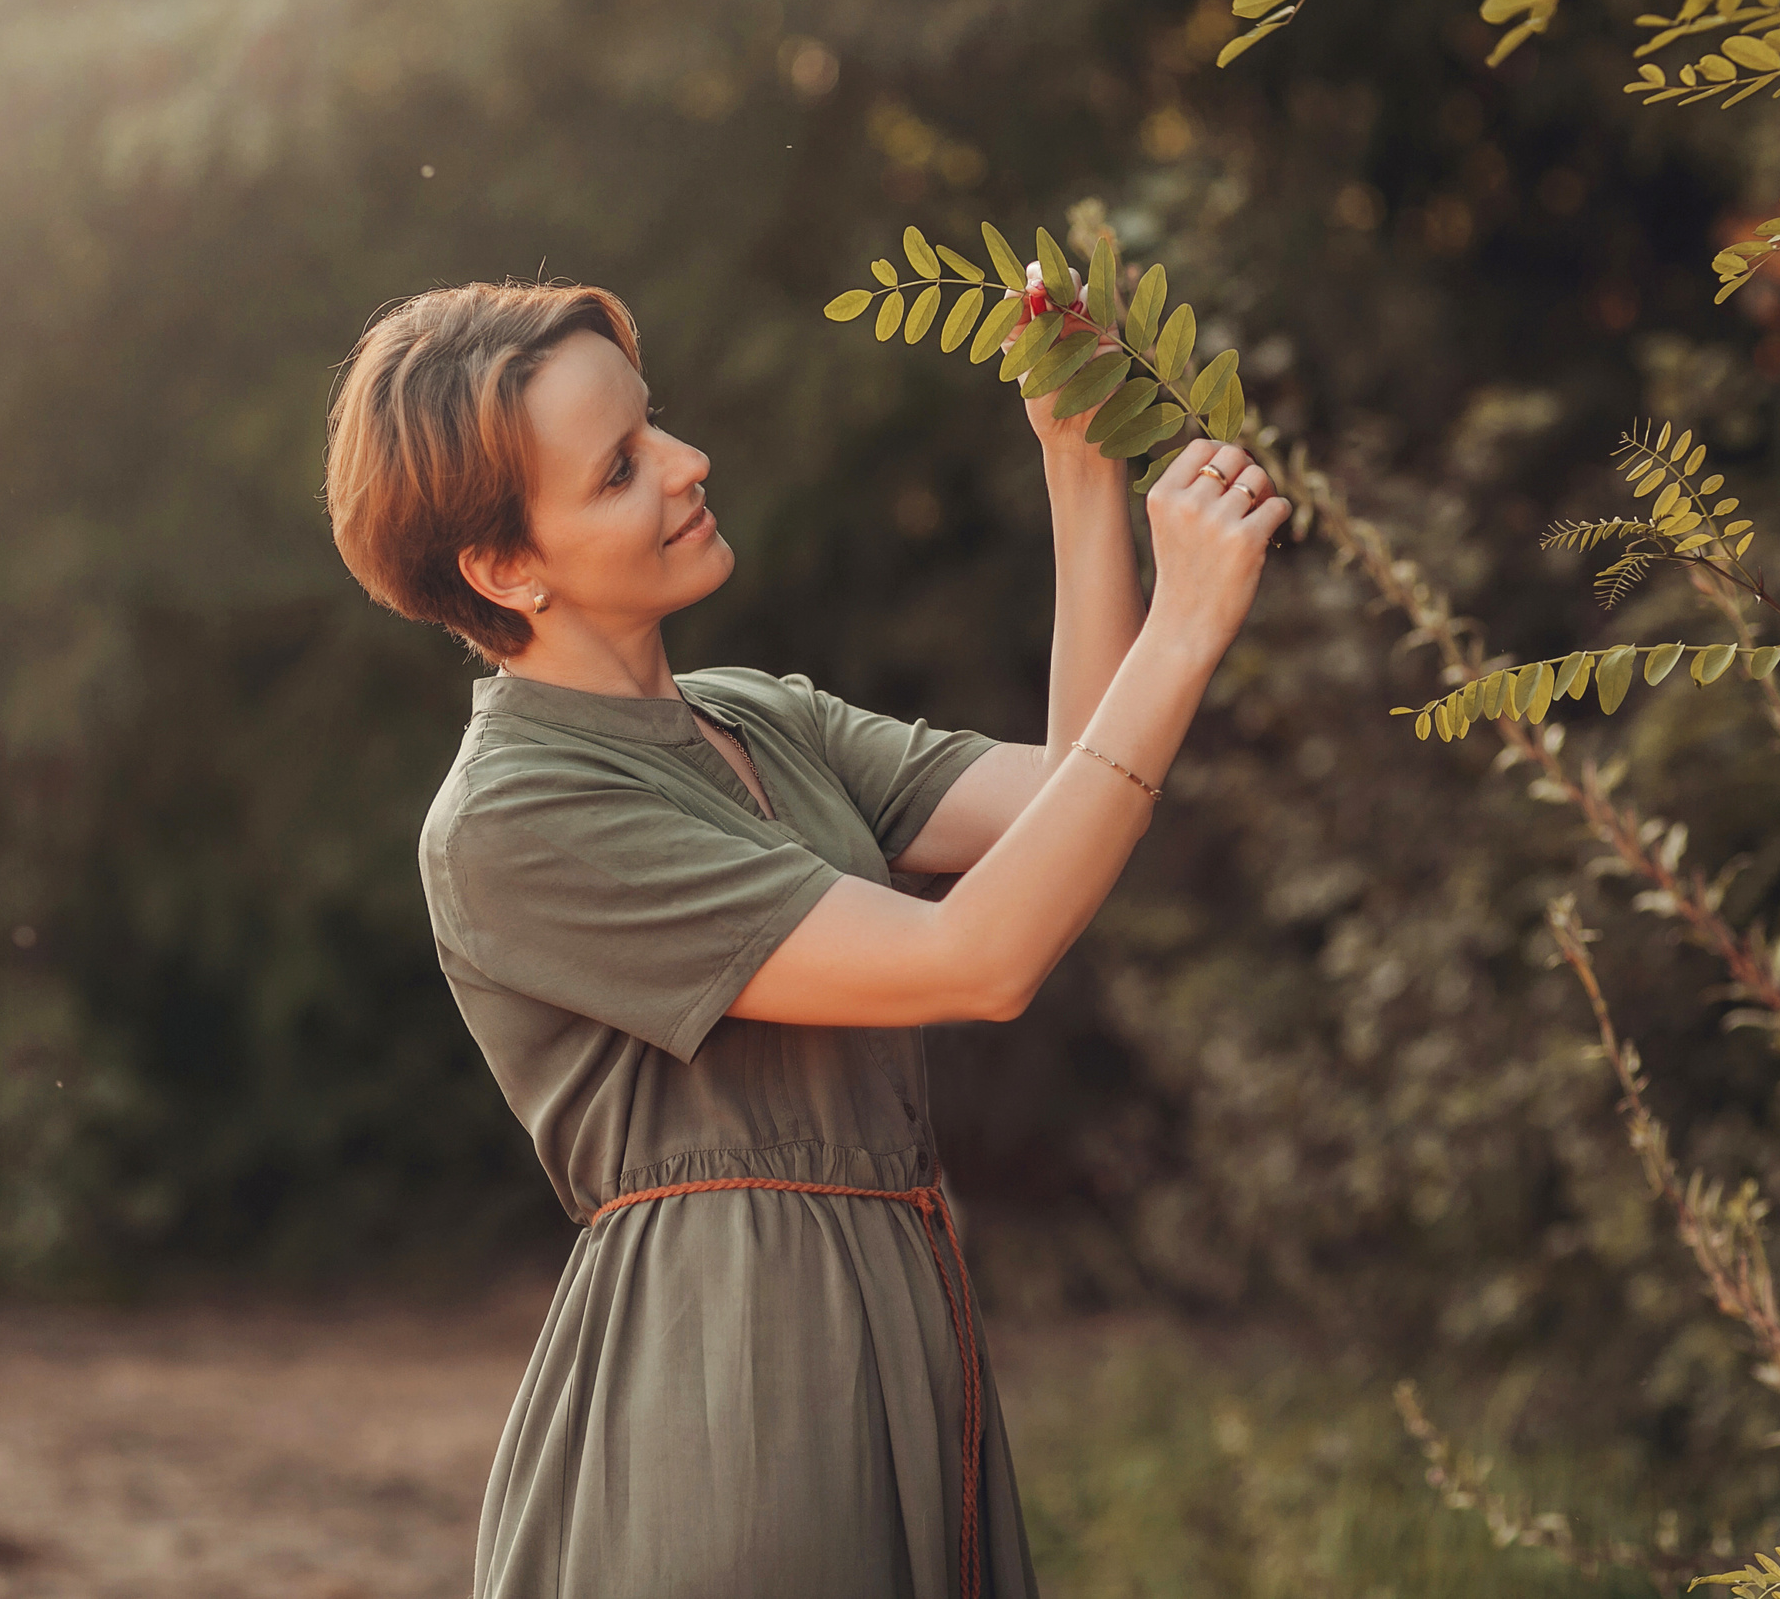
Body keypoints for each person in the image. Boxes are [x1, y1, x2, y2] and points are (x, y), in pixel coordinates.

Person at [323, 280, 1287, 1599]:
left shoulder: (756, 717)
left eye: (653, 424)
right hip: (726, 1386)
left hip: (904, 1324)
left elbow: (1075, 797)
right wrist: (1183, 626)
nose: (687, 463)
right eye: (620, 469)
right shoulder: (515, 818)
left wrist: (1078, 466)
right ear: (505, 568)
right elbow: (980, 962)